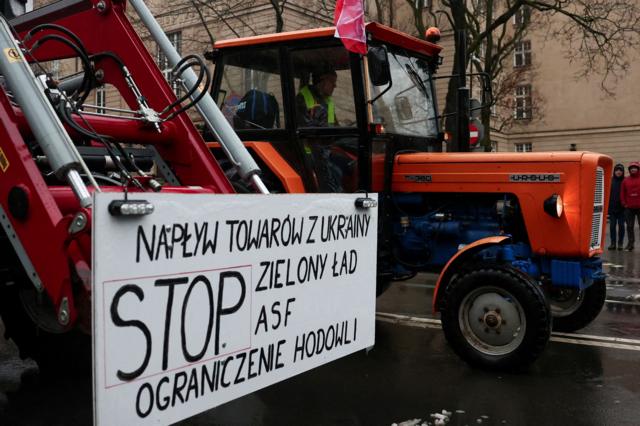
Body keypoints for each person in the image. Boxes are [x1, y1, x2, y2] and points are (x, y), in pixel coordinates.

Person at [621, 161, 640, 251]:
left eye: (635, 167)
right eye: (631, 168)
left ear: (638, 169)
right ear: (629, 170)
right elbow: (622, 193)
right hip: (629, 208)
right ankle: (630, 244)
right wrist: (624, 204)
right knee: (629, 226)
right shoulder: (625, 180)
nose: (633, 169)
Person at [608, 164, 625, 250]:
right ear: (614, 171)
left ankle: (620, 243)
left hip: (622, 209)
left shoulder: (625, 181)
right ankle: (613, 243)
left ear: (623, 172)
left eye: (620, 170)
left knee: (621, 226)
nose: (618, 172)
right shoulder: (610, 181)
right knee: (612, 226)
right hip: (612, 209)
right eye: (617, 170)